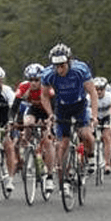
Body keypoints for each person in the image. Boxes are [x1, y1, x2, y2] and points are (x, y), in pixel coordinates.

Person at [40, 43, 98, 196]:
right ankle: (64, 181)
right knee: (62, 144)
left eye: (62, 65)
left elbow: (92, 92)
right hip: (62, 107)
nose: (60, 70)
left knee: (85, 134)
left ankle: (91, 156)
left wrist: (94, 116)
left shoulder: (80, 69)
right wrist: (50, 114)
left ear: (69, 61)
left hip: (80, 105)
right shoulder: (48, 74)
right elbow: (44, 96)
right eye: (56, 66)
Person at [10, 63, 56, 191]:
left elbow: (55, 105)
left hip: (48, 110)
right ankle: (28, 145)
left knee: (48, 141)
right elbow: (14, 107)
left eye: (36, 80)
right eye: (31, 80)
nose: (33, 83)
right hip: (34, 110)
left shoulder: (47, 86)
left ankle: (50, 177)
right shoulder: (23, 87)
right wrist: (11, 120)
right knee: (28, 122)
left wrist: (51, 119)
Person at [93, 76, 111, 174]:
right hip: (94, 117)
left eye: (101, 89)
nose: (99, 92)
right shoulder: (89, 98)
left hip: (106, 117)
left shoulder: (110, 97)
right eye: (96, 89)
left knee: (107, 137)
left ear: (105, 89)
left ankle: (107, 163)